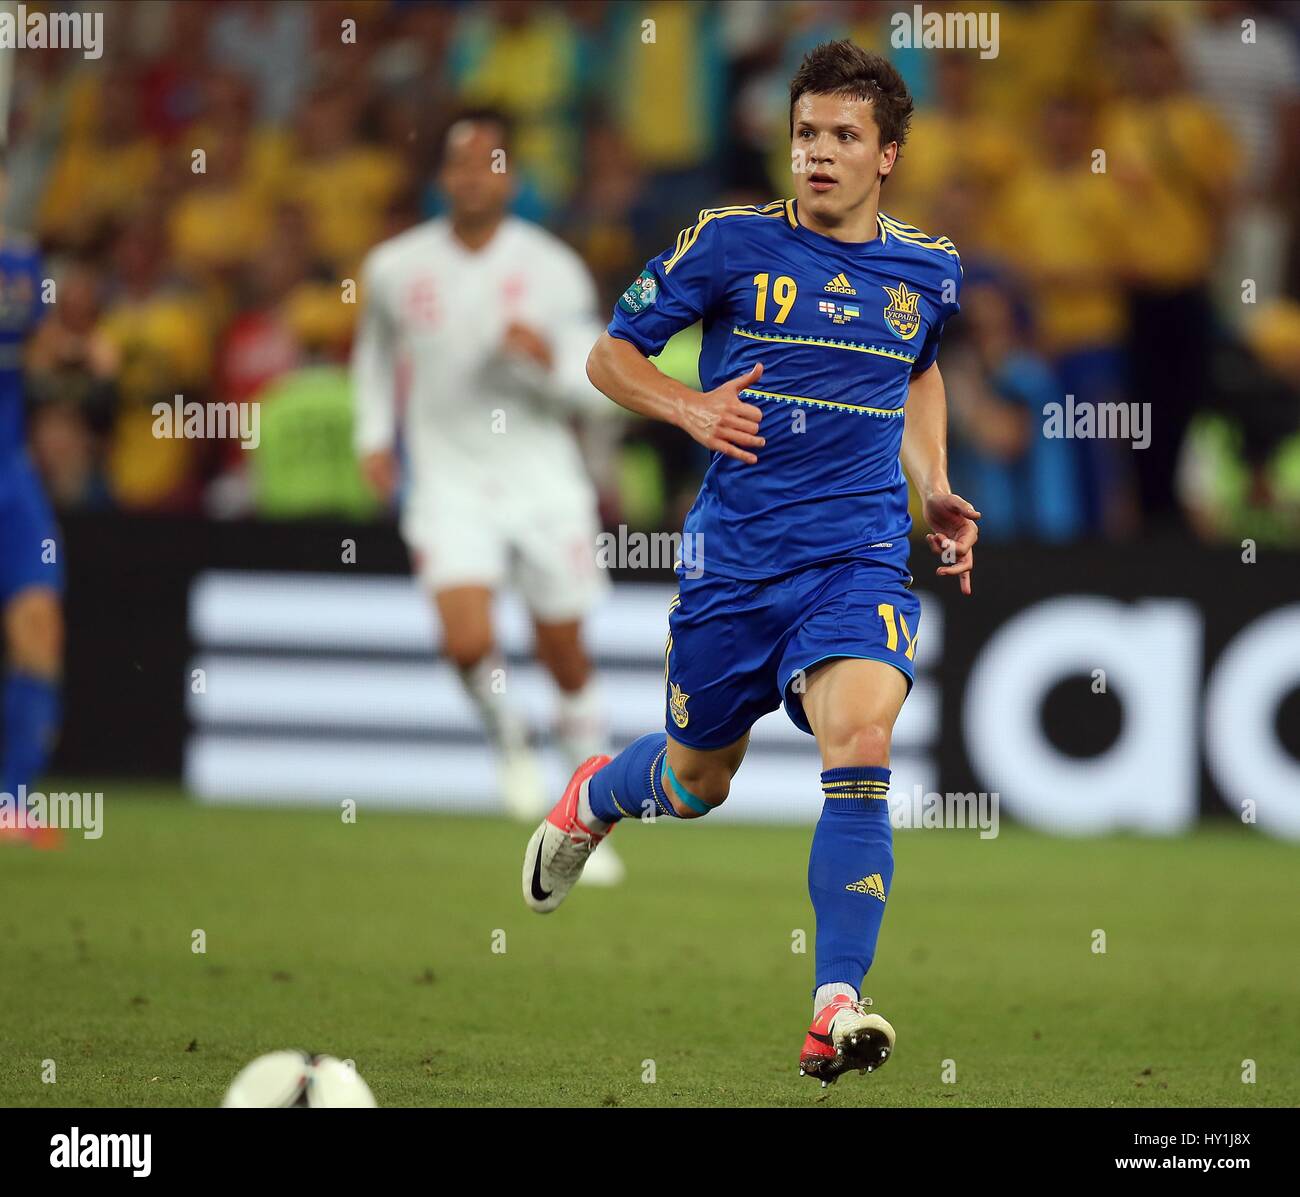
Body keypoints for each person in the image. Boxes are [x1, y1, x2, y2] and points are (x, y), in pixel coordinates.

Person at [521, 42, 979, 1085]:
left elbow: (920, 371)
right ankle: (595, 796)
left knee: (861, 734)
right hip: (735, 565)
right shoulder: (729, 244)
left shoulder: (930, 269)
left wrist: (934, 485)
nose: (818, 154)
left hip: (856, 560)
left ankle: (835, 1004)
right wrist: (688, 405)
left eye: (843, 137)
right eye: (806, 133)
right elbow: (608, 353)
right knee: (695, 781)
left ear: (887, 155)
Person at [353, 108, 623, 885]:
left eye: (488, 161)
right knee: (467, 641)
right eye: (459, 162)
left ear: (512, 176)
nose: (473, 175)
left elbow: (600, 384)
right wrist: (374, 437)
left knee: (565, 653)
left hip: (541, 478)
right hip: (448, 479)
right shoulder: (395, 269)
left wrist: (547, 362)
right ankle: (509, 737)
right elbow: (374, 357)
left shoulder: (554, 269)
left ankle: (585, 822)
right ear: (444, 178)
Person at [0, 210, 64, 849]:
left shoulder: (23, 267)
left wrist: (80, 353)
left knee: (39, 623)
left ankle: (10, 802)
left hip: (9, 479)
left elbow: (44, 354)